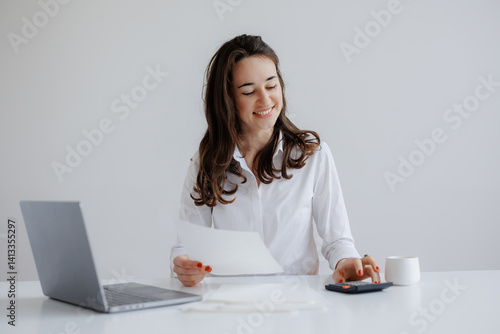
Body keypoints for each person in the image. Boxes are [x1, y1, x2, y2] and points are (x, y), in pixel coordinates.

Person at [170, 34, 381, 287]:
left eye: (271, 86)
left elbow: (338, 241)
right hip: (230, 308)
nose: (266, 100)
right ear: (227, 100)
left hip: (296, 306)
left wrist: (347, 262)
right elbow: (187, 246)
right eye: (248, 91)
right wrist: (184, 266)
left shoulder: (313, 155)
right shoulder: (205, 164)